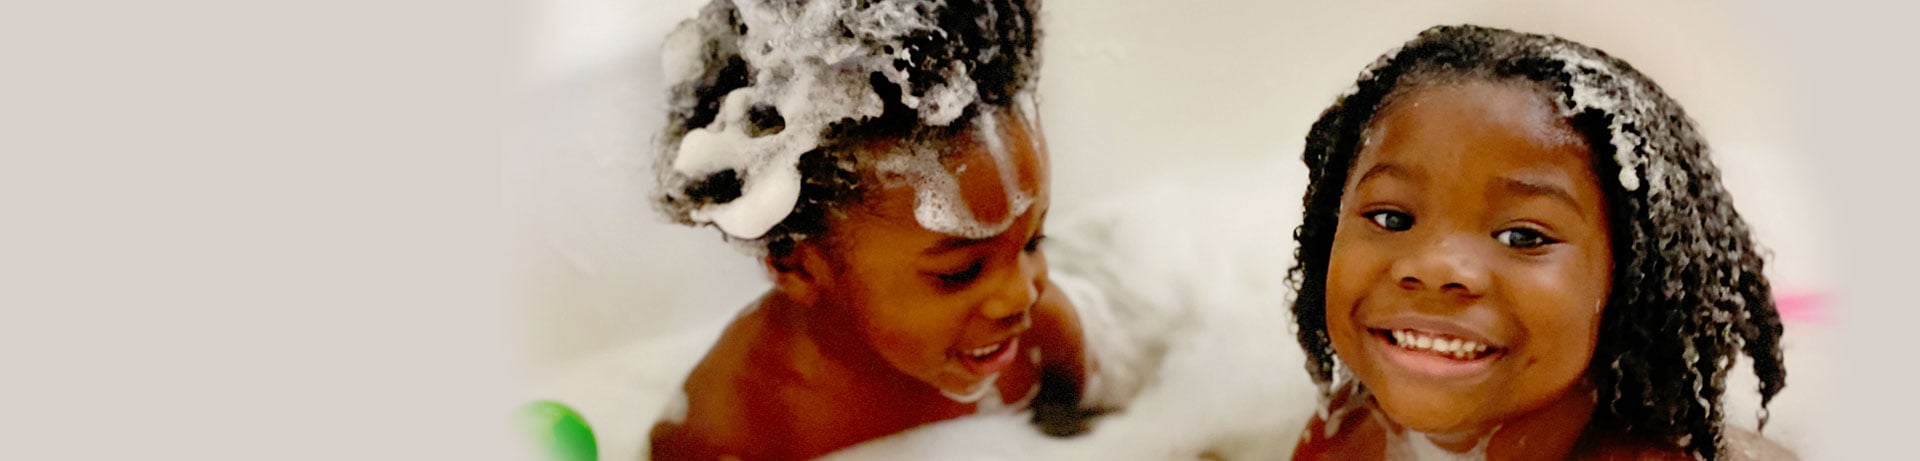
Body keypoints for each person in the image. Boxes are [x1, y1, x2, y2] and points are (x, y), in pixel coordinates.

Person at [1283, 25, 1792, 460]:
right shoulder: (1344, 437)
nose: (1436, 266)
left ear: (1632, 282)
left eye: (1522, 236)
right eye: (1392, 218)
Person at [645, 0, 1091, 459]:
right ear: (799, 266)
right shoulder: (746, 412)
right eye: (961, 271)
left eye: (1032, 241)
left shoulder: (1044, 338)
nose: (1022, 294)